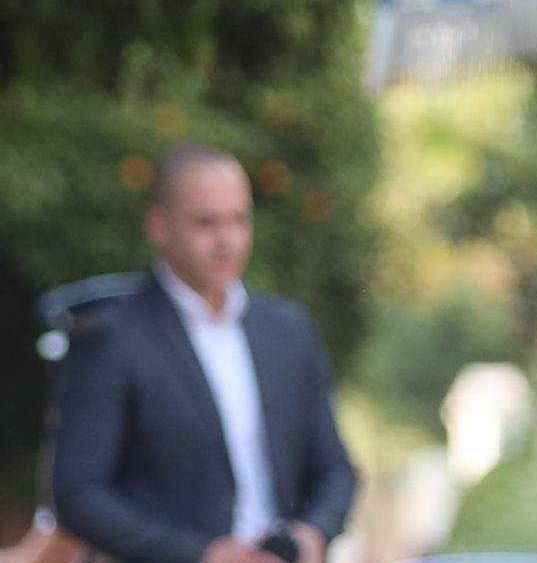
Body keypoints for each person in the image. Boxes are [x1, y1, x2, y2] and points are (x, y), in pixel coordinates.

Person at [51, 144, 357, 563]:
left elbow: (335, 469)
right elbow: (78, 494)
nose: (227, 241)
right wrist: (201, 555)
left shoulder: (288, 331)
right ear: (159, 226)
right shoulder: (112, 339)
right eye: (206, 223)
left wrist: (313, 533)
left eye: (239, 220)